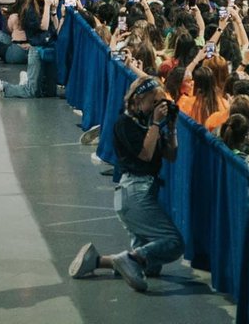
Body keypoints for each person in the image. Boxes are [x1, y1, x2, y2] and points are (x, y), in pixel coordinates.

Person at [68, 76, 183, 293]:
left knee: (151, 267)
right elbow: (146, 155)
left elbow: (171, 155)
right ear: (139, 100)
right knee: (174, 243)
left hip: (141, 193)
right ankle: (129, 258)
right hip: (135, 192)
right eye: (155, 102)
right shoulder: (124, 124)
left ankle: (96, 261)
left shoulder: (148, 124)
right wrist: (157, 124)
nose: (159, 107)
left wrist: (172, 127)